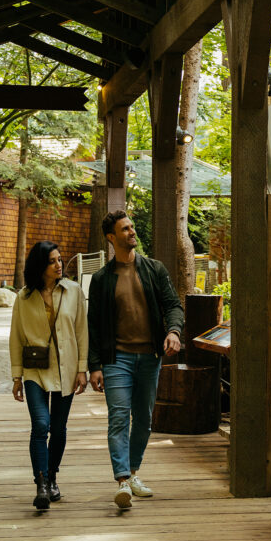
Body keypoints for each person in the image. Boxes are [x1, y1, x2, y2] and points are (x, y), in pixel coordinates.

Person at [88, 211, 184, 509]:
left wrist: (174, 331)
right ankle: (122, 481)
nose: (132, 232)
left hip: (150, 358)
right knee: (119, 417)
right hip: (117, 359)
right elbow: (93, 326)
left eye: (131, 227)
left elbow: (173, 305)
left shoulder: (154, 269)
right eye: (125, 229)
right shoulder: (101, 279)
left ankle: (132, 474)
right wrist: (94, 366)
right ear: (111, 237)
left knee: (143, 419)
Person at [9, 241, 88, 510]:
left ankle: (53, 476)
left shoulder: (73, 291)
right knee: (41, 425)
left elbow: (81, 332)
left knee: (59, 428)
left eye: (59, 259)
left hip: (66, 369)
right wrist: (16, 376)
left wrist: (82, 369)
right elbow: (16, 337)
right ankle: (41, 484)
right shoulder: (23, 297)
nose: (59, 265)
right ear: (40, 266)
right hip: (35, 369)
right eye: (52, 261)